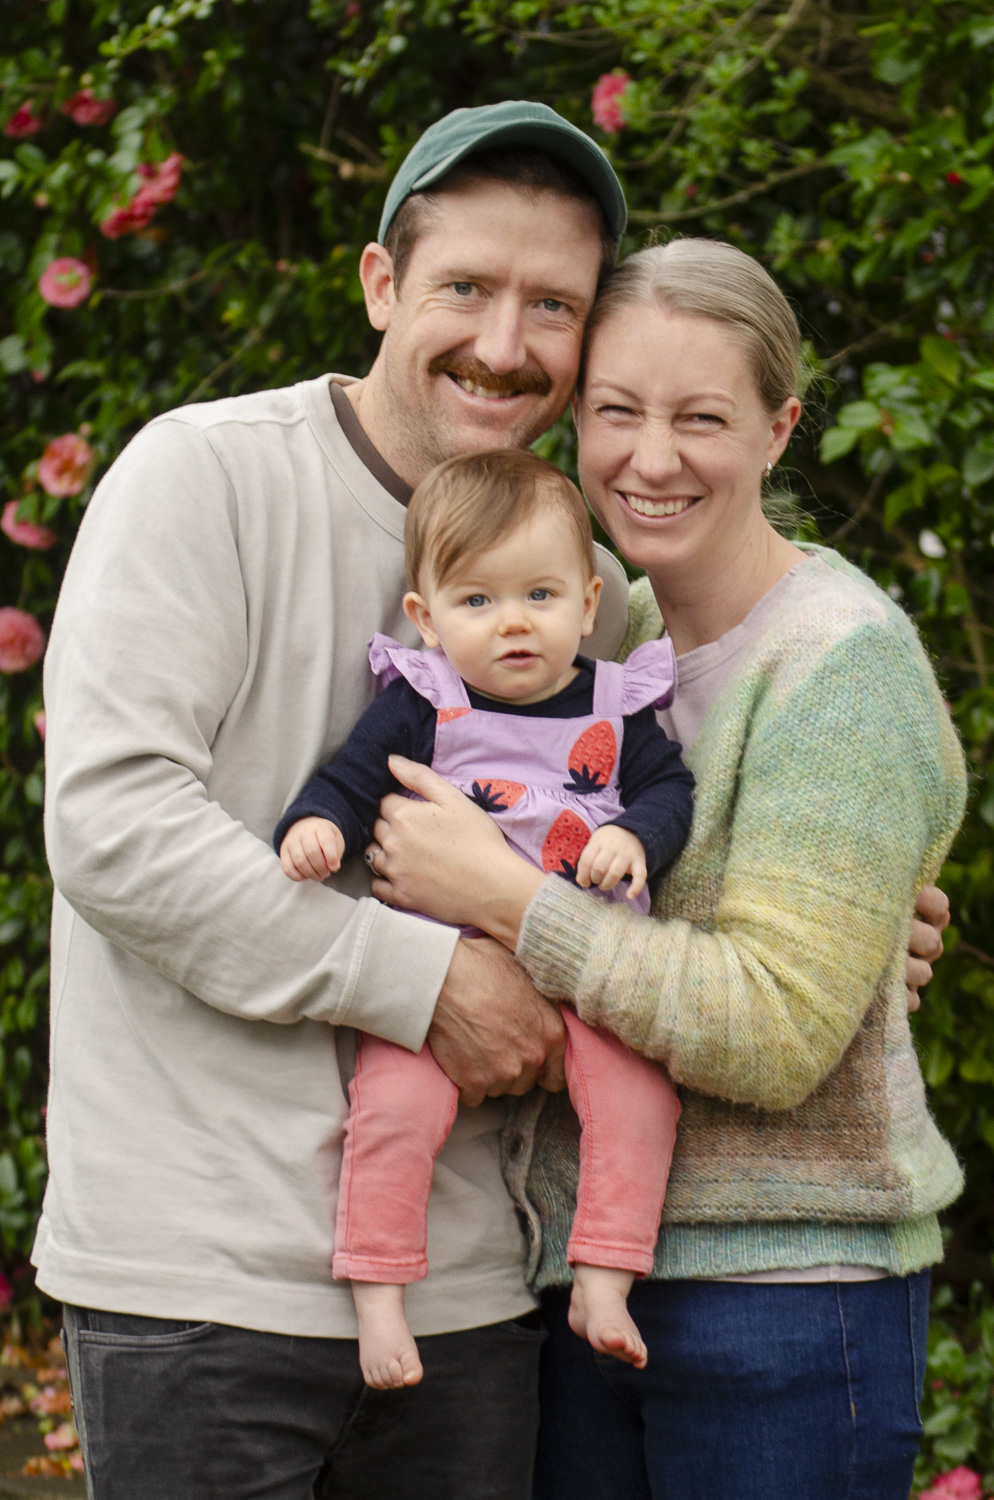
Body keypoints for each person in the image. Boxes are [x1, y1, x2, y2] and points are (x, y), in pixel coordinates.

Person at [38, 102, 633, 1500]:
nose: (504, 342)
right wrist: (422, 981)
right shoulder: (210, 475)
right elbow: (116, 824)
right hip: (200, 1288)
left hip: (470, 1297)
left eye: (551, 305)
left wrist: (848, 916)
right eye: (466, 288)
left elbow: (684, 809)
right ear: (380, 283)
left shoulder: (573, 581)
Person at [362, 238, 968, 1500]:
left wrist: (506, 899)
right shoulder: (599, 630)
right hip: (590, 1285)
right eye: (616, 411)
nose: (649, 458)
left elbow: (779, 1030)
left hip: (784, 1306)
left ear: (778, 429)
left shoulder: (835, 665)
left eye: (702, 418)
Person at [275, 449, 694, 1388]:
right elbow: (350, 779)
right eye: (477, 602)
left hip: (586, 960)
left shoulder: (618, 710)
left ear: (590, 605)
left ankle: (603, 1274)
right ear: (425, 619)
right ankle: (379, 1296)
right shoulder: (425, 701)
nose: (513, 623)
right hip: (444, 962)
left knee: (640, 1099)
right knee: (393, 1111)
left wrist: (636, 838)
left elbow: (672, 795)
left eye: (540, 596)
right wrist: (315, 827)